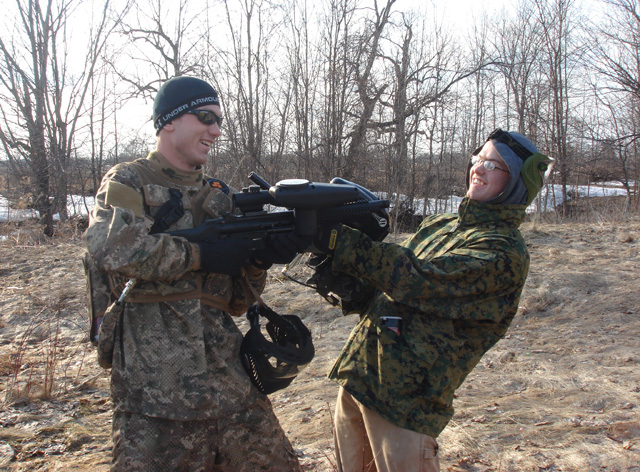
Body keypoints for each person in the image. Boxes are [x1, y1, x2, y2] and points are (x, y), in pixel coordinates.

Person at [84, 76, 307, 471]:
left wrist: (258, 262)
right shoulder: (128, 181)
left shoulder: (220, 198)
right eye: (205, 117)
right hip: (155, 404)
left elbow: (236, 302)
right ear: (169, 121)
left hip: (232, 392)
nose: (216, 130)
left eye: (219, 120)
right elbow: (111, 247)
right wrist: (200, 253)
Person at [313, 129, 554, 472]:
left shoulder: (502, 253)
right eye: (478, 158)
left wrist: (341, 240)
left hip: (406, 407)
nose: (479, 169)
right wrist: (352, 285)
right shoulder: (440, 226)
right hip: (359, 380)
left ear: (516, 183)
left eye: (494, 165)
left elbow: (417, 280)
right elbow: (394, 295)